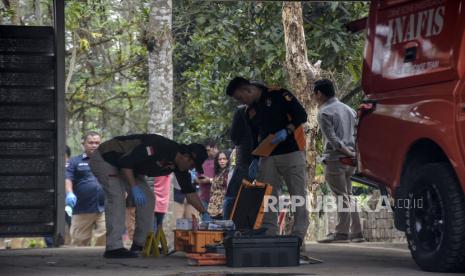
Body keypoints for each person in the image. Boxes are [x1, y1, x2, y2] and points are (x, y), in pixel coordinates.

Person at [89, 133, 210, 258]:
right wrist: (134, 188)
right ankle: (113, 248)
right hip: (107, 158)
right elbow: (126, 162)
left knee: (148, 199)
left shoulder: (180, 166)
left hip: (130, 168)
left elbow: (189, 192)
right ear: (186, 157)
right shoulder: (159, 146)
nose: (191, 169)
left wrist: (204, 213)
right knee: (116, 197)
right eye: (192, 165)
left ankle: (141, 244)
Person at [226, 77, 309, 247]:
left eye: (240, 98)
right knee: (268, 197)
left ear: (247, 89)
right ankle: (269, 235)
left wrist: (287, 131)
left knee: (298, 196)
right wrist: (255, 159)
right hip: (267, 156)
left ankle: (298, 238)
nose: (241, 102)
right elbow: (255, 137)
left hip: (291, 152)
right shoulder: (249, 112)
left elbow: (301, 115)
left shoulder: (278, 94)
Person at [312, 79, 364, 243]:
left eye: (314, 94)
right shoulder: (349, 110)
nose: (314, 97)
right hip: (351, 159)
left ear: (319, 93)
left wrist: (346, 151)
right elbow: (357, 135)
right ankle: (357, 233)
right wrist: (353, 153)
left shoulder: (324, 112)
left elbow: (333, 140)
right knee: (349, 196)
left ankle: (341, 233)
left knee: (341, 196)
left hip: (336, 159)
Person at [65, 132, 106, 246]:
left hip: (104, 208)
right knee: (79, 241)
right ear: (83, 144)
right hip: (82, 208)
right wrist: (69, 193)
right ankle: (80, 263)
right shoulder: (74, 161)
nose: (94, 145)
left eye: (97, 143)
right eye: (91, 143)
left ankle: (101, 261)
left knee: (106, 234)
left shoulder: (107, 161)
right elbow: (67, 178)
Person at [224, 105, 253, 219]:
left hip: (245, 160)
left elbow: (234, 136)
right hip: (265, 160)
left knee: (233, 196)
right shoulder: (268, 108)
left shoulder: (241, 111)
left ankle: (228, 225)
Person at [195, 139, 218, 210]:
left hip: (217, 198)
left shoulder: (221, 160)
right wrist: (199, 180)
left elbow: (225, 179)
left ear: (214, 148)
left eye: (208, 150)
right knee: (205, 220)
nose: (206, 152)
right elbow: (197, 177)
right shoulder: (201, 161)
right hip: (204, 198)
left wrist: (210, 180)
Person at [207, 150, 231, 219]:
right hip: (213, 207)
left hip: (223, 206)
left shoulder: (230, 172)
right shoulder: (218, 173)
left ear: (228, 159)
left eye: (224, 159)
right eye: (220, 159)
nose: (222, 161)